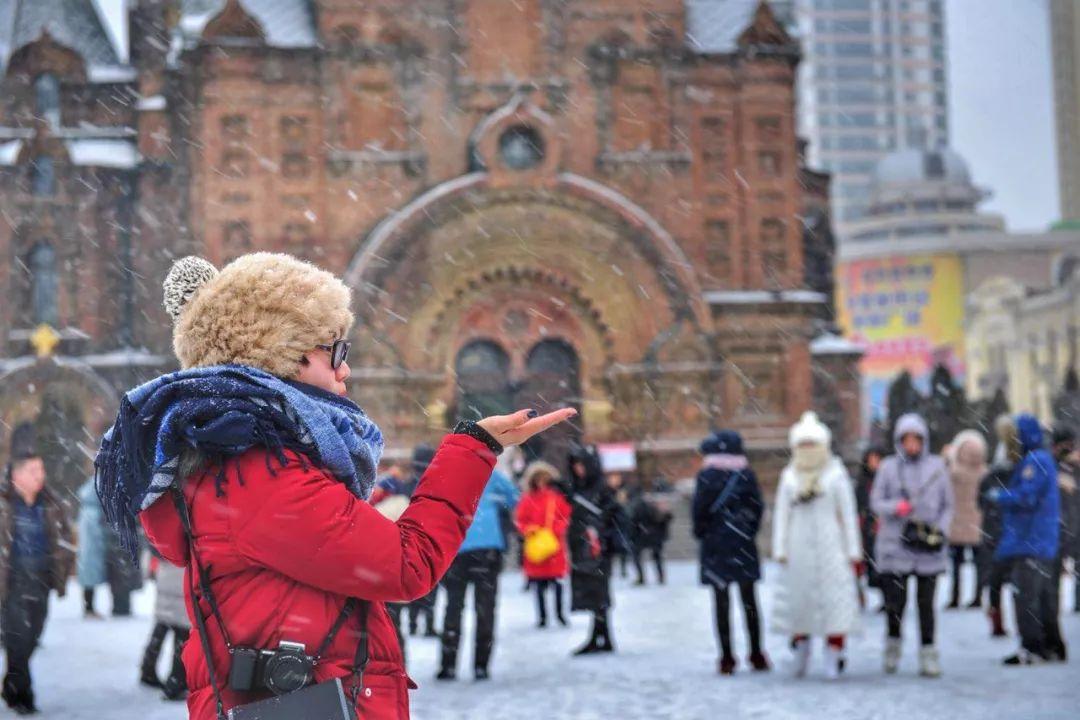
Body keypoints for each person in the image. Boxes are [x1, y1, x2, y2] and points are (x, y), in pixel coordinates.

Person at [96, 253, 574, 720]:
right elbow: (407, 564)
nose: (345, 369)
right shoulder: (258, 473)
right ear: (287, 352)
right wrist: (472, 448)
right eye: (336, 351)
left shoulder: (242, 463)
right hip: (310, 701)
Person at [772, 413, 861, 680]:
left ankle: (834, 655)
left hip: (831, 546)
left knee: (835, 604)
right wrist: (780, 548)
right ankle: (801, 653)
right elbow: (781, 514)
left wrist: (853, 550)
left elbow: (847, 514)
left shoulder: (836, 474)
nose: (808, 450)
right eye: (803, 445)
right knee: (800, 604)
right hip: (798, 547)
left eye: (813, 444)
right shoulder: (789, 476)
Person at [871, 413, 954, 678]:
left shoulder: (937, 468)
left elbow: (948, 505)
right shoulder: (888, 468)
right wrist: (897, 507)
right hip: (896, 546)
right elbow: (876, 502)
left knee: (926, 604)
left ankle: (928, 652)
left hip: (928, 547)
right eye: (906, 440)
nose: (911, 445)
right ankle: (893, 647)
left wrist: (939, 529)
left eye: (916, 439)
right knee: (896, 604)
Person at [1, 422, 75, 715]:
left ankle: (10, 684)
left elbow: (66, 538)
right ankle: (23, 695)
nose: (40, 476)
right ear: (17, 475)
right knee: (17, 639)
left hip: (42, 579)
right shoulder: (5, 505)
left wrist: (62, 568)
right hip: (13, 580)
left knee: (33, 636)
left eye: (41, 470)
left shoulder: (51, 503)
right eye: (33, 471)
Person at [985, 415, 1062, 665]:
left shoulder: (1035, 461)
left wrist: (1000, 496)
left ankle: (1033, 648)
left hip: (1031, 540)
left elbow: (1026, 497)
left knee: (1026, 597)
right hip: (1038, 540)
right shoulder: (1042, 459)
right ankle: (1052, 645)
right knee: (1042, 597)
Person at [692, 430, 768, 675]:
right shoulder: (746, 475)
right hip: (742, 545)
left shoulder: (706, 476)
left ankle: (726, 657)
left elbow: (698, 512)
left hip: (716, 547)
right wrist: (746, 531)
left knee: (721, 604)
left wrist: (706, 532)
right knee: (750, 603)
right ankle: (756, 653)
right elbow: (757, 508)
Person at [437, 462, 520, 681]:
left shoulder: (450, 471)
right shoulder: (492, 475)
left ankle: (448, 665)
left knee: (453, 608)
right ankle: (481, 665)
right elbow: (514, 498)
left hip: (458, 548)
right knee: (485, 610)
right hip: (488, 549)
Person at [371, 447, 440, 639]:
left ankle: (408, 625)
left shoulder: (405, 486)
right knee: (427, 586)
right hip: (425, 543)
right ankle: (427, 624)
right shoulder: (432, 486)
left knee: (404, 590)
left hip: (402, 544)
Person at [566, 444, 623, 656]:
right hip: (585, 548)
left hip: (598, 549)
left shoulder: (600, 489)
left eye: (582, 464)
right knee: (594, 594)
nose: (579, 469)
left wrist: (601, 535)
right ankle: (601, 636)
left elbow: (612, 517)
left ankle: (601, 637)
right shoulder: (578, 488)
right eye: (575, 465)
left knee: (599, 594)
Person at [515, 461, 571, 628]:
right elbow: (520, 520)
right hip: (537, 547)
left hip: (553, 546)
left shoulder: (556, 498)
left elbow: (564, 517)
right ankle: (543, 616)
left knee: (557, 584)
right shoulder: (527, 499)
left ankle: (559, 614)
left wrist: (555, 531)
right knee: (538, 585)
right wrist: (529, 530)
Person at [978, 415, 1019, 637]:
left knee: (996, 582)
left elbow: (981, 501)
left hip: (996, 532)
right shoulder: (1017, 473)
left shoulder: (993, 476)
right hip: (1005, 532)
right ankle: (1003, 620)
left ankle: (997, 621)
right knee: (1012, 582)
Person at [945, 430, 988, 609]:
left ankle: (955, 597)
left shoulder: (953, 470)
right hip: (978, 524)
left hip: (957, 524)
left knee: (956, 566)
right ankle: (977, 597)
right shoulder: (985, 472)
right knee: (979, 565)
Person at [139, 556, 191, 701]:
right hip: (182, 576)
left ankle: (147, 670)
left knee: (163, 624)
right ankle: (176, 683)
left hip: (166, 573)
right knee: (183, 633)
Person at [1050, 427, 1076, 651]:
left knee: (1050, 589)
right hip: (1059, 532)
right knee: (1050, 589)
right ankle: (1054, 640)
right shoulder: (1054, 467)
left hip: (1066, 530)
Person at [855, 447, 885, 608]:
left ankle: (887, 599)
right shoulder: (863, 483)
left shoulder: (886, 479)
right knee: (868, 567)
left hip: (883, 528)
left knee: (882, 568)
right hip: (866, 529)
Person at [628, 477, 674, 585]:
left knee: (640, 556)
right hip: (651, 534)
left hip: (645, 534)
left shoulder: (641, 503)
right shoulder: (648, 503)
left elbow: (634, 520)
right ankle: (659, 577)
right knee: (655, 556)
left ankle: (644, 578)